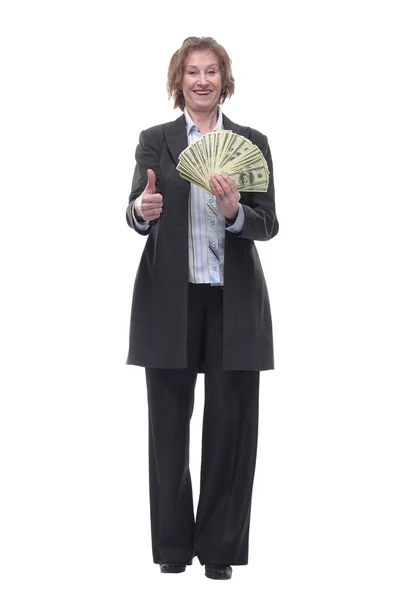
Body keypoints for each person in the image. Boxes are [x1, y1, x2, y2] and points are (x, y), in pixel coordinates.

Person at [125, 36, 279, 580]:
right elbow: (134, 210)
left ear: (224, 79)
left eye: (211, 71)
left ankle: (220, 552)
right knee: (167, 430)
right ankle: (171, 547)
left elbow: (269, 224)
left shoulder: (251, 142)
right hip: (170, 303)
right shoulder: (156, 141)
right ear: (179, 81)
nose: (202, 81)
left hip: (234, 305)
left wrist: (237, 210)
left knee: (231, 430)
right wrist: (143, 209)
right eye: (192, 72)